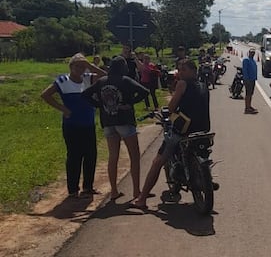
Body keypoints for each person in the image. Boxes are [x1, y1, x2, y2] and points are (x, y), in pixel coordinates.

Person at [132, 58, 211, 210]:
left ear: (192, 71)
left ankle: (141, 199)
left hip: (184, 130)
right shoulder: (204, 85)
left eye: (183, 70)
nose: (180, 73)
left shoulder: (182, 84)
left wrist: (168, 111)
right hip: (203, 129)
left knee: (157, 162)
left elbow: (171, 107)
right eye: (179, 70)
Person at [82, 56, 149, 201]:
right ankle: (137, 191)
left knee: (113, 157)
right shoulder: (125, 80)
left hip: (108, 122)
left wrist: (100, 105)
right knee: (134, 156)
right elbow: (144, 91)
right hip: (125, 121)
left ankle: (113, 191)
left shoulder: (101, 81)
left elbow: (85, 95)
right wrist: (130, 102)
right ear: (122, 67)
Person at [41, 53, 106, 198]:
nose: (80, 69)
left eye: (83, 67)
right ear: (71, 67)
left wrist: (90, 65)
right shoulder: (63, 81)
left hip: (88, 124)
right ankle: (73, 189)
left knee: (90, 155)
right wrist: (62, 108)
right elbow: (45, 95)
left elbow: (105, 76)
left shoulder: (88, 78)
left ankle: (88, 187)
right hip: (72, 125)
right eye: (77, 66)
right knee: (74, 156)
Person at [242, 48, 258, 114]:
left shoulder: (253, 60)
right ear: (249, 53)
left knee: (251, 94)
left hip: (252, 79)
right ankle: (247, 108)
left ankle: (249, 106)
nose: (252, 54)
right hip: (248, 80)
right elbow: (245, 70)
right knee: (248, 94)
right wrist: (246, 79)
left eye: (253, 52)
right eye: (251, 52)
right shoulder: (246, 60)